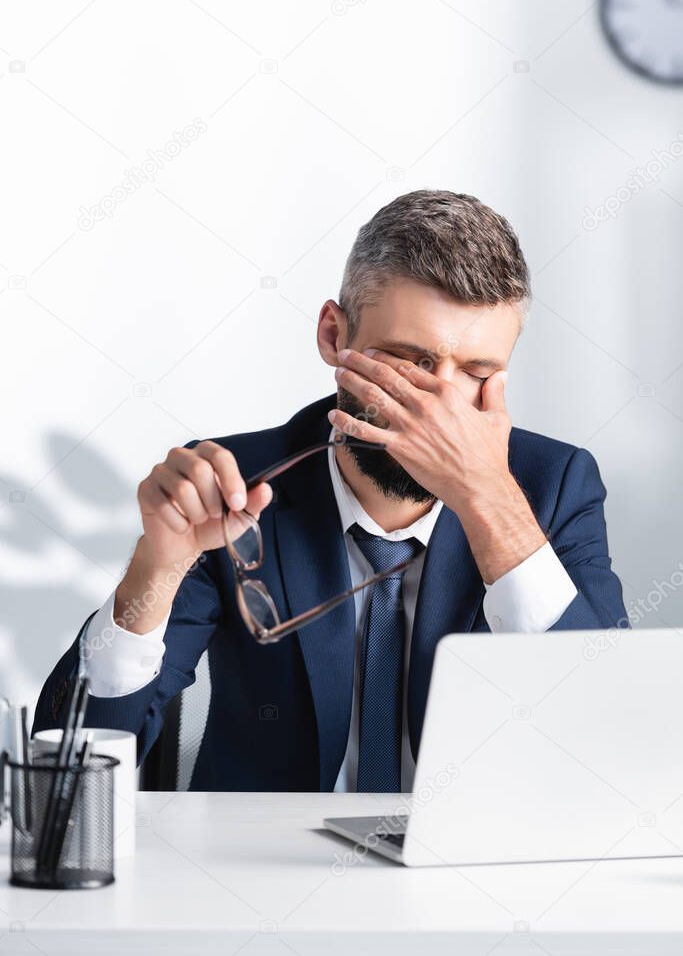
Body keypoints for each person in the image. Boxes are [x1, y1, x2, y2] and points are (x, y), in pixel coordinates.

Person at [33, 190, 628, 792]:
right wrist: (155, 571)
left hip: (471, 873)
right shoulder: (233, 484)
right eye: (408, 362)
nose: (442, 408)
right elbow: (68, 769)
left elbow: (608, 746)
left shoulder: (553, 486)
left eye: (476, 374)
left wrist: (487, 498)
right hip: (260, 871)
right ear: (332, 335)